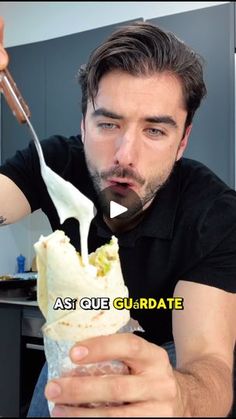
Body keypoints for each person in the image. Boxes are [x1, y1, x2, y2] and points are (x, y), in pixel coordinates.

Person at [0, 17, 235, 417]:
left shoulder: (212, 213)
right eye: (108, 123)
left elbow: (209, 365)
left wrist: (179, 397)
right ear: (83, 124)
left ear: (183, 142)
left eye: (155, 131)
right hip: (72, 346)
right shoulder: (55, 164)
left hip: (166, 360)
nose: (125, 155)